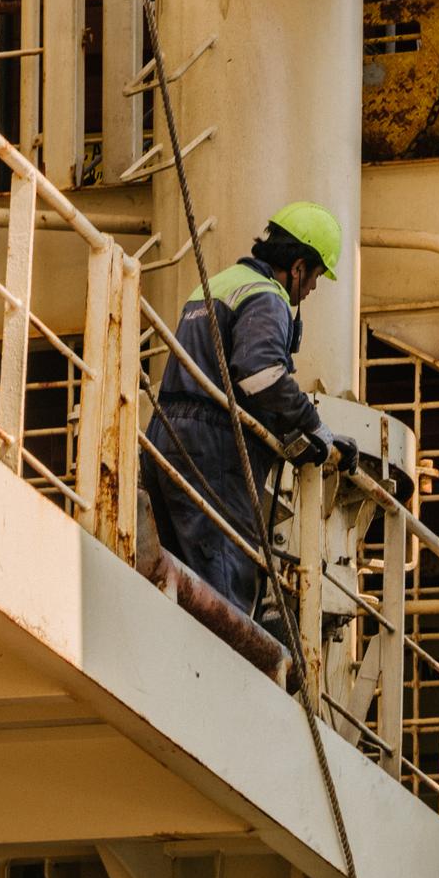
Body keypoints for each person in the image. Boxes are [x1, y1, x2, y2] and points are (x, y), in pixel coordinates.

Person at [147, 203, 356, 614]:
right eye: (315, 278)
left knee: (171, 579)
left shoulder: (221, 283)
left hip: (165, 432)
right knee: (225, 580)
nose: (312, 289)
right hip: (214, 448)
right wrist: (317, 429)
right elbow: (261, 377)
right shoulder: (267, 297)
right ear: (298, 267)